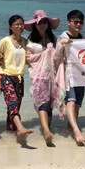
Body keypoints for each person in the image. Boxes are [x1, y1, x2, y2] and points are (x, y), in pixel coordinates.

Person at [24, 9, 65, 145]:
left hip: (51, 74)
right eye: (40, 23)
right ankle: (46, 131)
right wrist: (44, 54)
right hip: (38, 75)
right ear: (35, 25)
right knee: (42, 102)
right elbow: (27, 58)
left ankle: (48, 130)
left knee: (50, 103)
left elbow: (57, 56)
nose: (42, 25)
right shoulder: (30, 41)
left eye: (45, 22)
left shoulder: (52, 38)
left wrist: (61, 45)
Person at [0, 15, 34, 137]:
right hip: (6, 76)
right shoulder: (5, 41)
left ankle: (11, 134)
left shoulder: (25, 42)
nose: (20, 27)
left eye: (21, 24)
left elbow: (29, 59)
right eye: (17, 24)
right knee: (12, 103)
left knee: (14, 107)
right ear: (11, 27)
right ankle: (20, 128)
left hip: (19, 79)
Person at [59, 9, 85, 146]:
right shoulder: (62, 38)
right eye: (76, 22)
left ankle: (70, 129)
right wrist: (61, 44)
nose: (78, 24)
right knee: (70, 101)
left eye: (80, 22)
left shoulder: (83, 38)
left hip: (80, 75)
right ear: (68, 23)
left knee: (77, 105)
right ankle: (77, 132)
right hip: (68, 75)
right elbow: (56, 57)